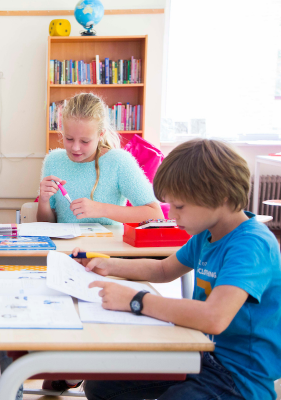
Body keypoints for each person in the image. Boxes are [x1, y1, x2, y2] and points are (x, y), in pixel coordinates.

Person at [79, 139, 281, 400]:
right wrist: (109, 264)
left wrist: (135, 300)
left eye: (180, 206)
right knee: (101, 385)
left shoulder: (252, 244)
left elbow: (214, 318)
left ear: (220, 197)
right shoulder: (206, 234)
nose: (172, 215)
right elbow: (164, 270)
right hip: (199, 354)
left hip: (238, 378)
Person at [37, 93, 163, 224]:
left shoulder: (119, 161)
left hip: (108, 244)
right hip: (67, 244)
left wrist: (102, 209)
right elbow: (46, 224)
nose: (75, 148)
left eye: (85, 141)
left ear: (100, 134)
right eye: (69, 139)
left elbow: (156, 214)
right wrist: (44, 200)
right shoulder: (53, 161)